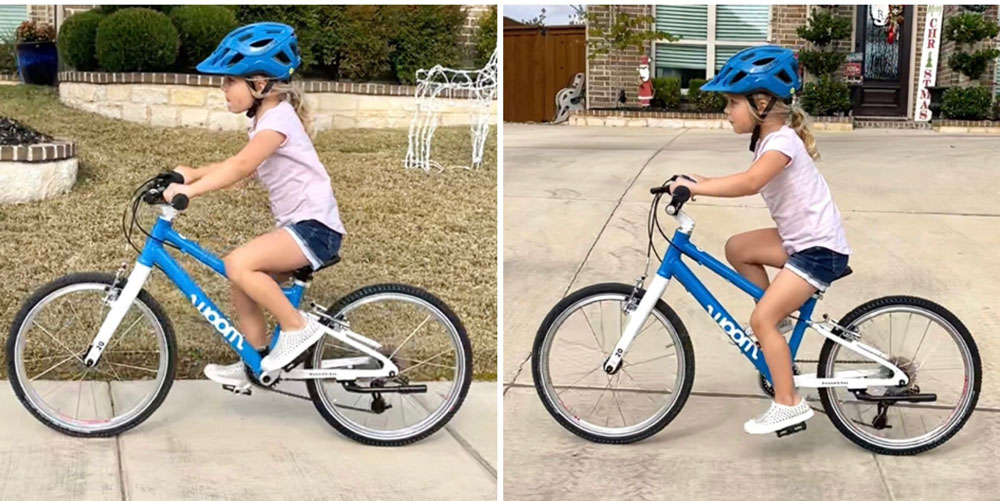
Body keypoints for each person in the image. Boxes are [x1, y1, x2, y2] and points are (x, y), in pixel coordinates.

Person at [668, 46, 851, 434]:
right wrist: (694, 181)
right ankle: (778, 322)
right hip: (802, 241)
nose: (727, 111)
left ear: (762, 103)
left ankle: (788, 403)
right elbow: (741, 178)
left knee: (759, 319)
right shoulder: (770, 140)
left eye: (732, 102)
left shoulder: (782, 142)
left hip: (818, 251)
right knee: (738, 248)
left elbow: (750, 183)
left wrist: (697, 188)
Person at [163, 22, 346, 390]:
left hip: (315, 230)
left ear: (260, 84)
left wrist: (190, 192)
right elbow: (238, 165)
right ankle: (254, 361)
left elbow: (241, 166)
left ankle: (297, 328)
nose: (223, 89)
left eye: (229, 81)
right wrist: (193, 174)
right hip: (302, 228)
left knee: (238, 263)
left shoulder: (278, 121)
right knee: (241, 280)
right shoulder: (267, 121)